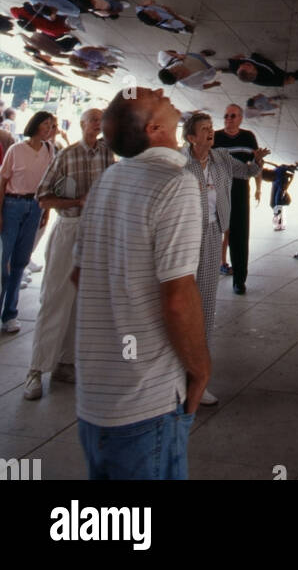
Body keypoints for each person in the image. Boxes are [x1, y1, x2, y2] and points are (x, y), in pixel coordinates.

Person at [73, 87, 209, 480]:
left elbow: (81, 276)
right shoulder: (175, 183)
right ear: (155, 128)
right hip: (146, 405)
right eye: (156, 97)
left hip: (95, 402)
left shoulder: (108, 181)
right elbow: (178, 299)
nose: (165, 92)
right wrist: (200, 370)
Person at [23, 109, 113, 400]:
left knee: (81, 302)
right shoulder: (66, 155)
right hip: (69, 229)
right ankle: (36, 370)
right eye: (93, 120)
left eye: (101, 120)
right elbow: (42, 198)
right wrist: (77, 200)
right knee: (54, 298)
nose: (98, 125)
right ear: (83, 124)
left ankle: (65, 363)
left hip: (95, 233)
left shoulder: (106, 155)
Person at [183, 112, 265, 401]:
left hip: (211, 233)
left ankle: (197, 380)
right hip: (182, 238)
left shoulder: (220, 158)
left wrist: (258, 162)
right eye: (203, 130)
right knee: (178, 304)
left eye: (210, 128)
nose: (210, 133)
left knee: (205, 304)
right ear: (191, 137)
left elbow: (247, 173)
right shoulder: (180, 163)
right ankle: (172, 376)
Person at [0, 111, 55, 332]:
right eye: (45, 124)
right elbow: (3, 181)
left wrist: (45, 209)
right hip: (12, 205)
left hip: (34, 206)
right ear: (35, 125)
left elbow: (49, 184)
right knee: (4, 263)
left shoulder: (49, 151)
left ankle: (10, 314)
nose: (49, 128)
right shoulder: (16, 149)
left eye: (51, 125)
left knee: (20, 262)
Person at [213, 105, 263, 294]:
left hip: (240, 188)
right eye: (226, 116)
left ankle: (239, 280)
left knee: (239, 234)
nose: (228, 119)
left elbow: (256, 163)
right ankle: (210, 270)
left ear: (241, 118)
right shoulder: (215, 137)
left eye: (233, 116)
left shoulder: (248, 137)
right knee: (213, 231)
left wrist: (259, 188)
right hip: (217, 188)